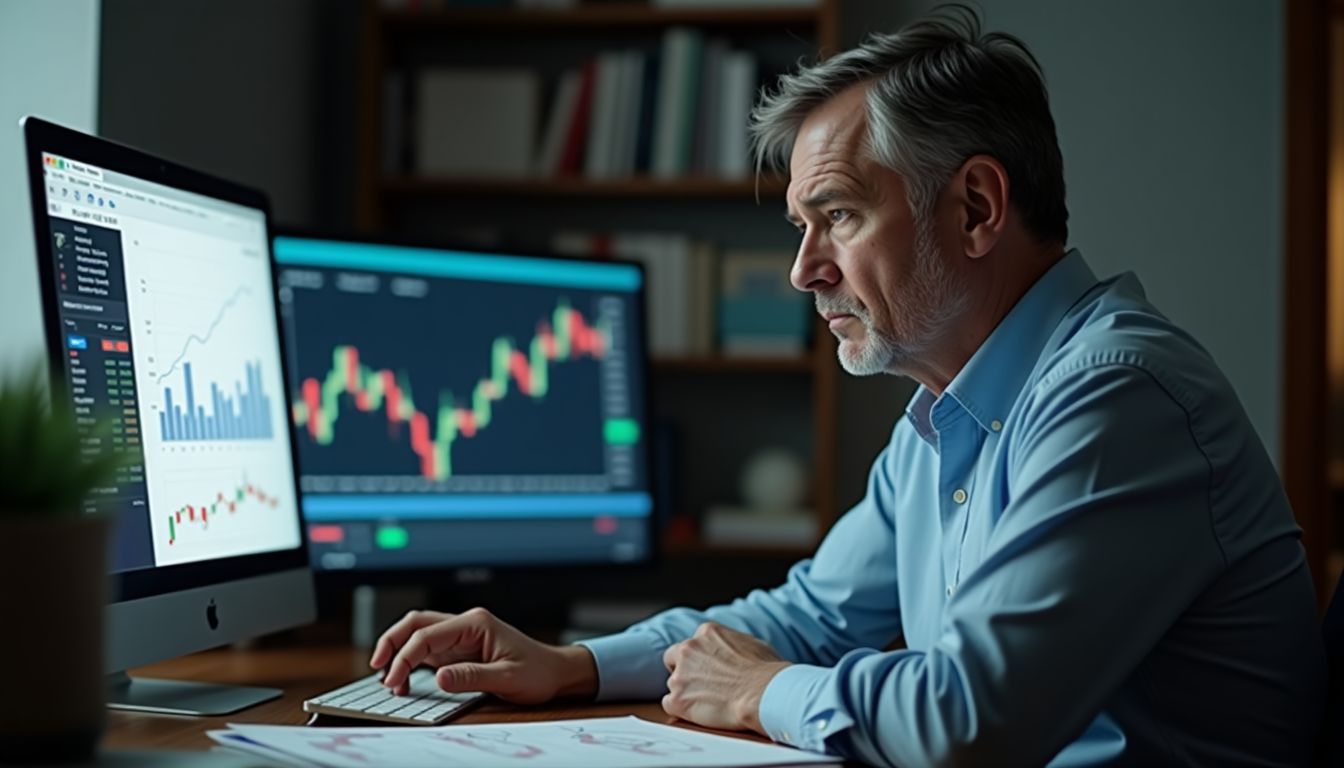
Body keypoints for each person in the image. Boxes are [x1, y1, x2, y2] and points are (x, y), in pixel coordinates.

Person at [370, 6, 1327, 765]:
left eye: (837, 215)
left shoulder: (1118, 394)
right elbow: (807, 617)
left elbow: (970, 722)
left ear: (978, 209)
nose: (803, 270)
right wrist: (574, 666)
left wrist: (759, 691)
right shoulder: (943, 419)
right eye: (800, 225)